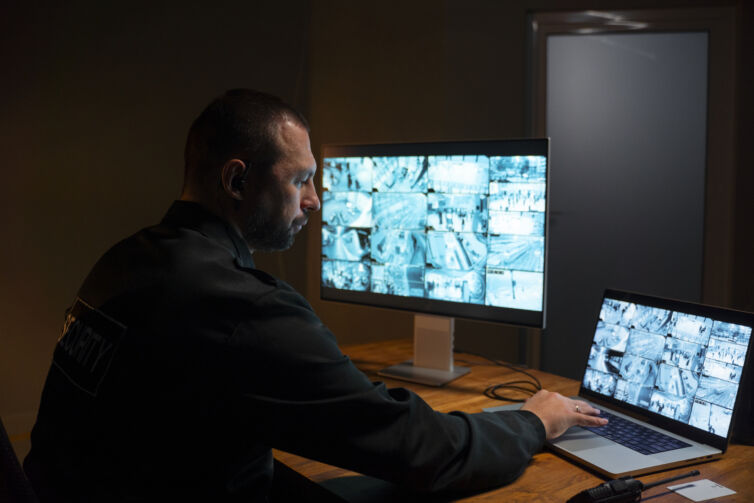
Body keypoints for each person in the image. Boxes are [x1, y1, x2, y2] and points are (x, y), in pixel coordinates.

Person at [24, 89, 606, 502]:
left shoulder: (125, 260)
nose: (315, 201)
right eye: (301, 180)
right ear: (237, 180)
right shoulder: (242, 307)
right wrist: (534, 420)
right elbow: (423, 453)